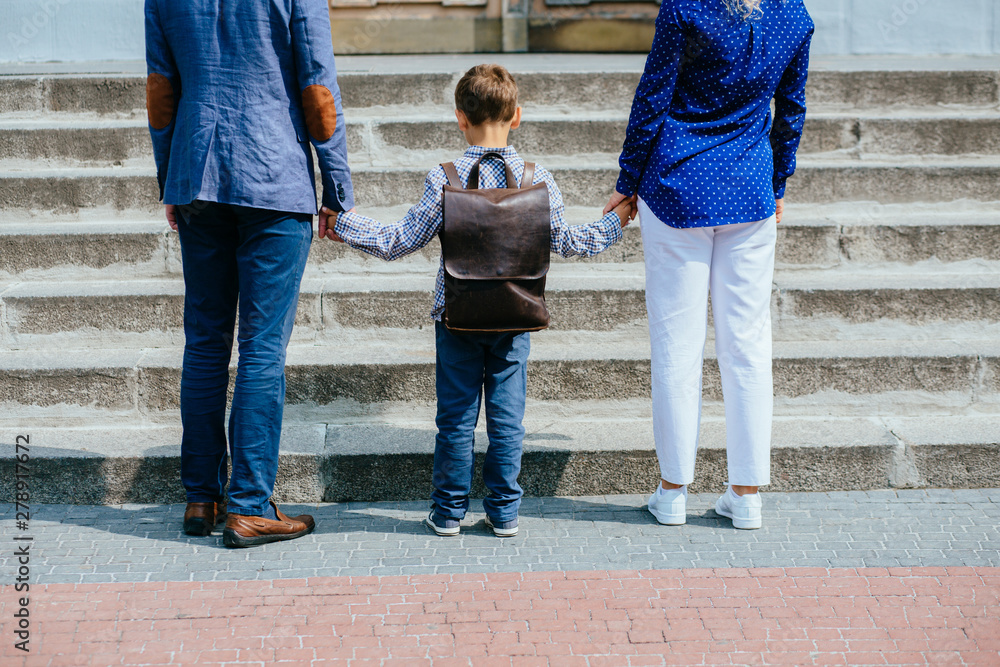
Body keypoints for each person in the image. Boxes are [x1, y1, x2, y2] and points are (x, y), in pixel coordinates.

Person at [323, 64, 634, 537]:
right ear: (517, 116)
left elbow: (398, 241)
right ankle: (504, 512)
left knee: (455, 420)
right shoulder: (539, 178)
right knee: (507, 423)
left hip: (457, 317)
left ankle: (448, 513)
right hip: (515, 314)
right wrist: (617, 219)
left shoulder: (443, 179)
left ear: (460, 118)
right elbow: (572, 242)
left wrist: (341, 223)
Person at [144, 0, 354, 547]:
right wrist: (337, 186)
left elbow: (161, 89)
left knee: (206, 343)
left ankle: (201, 497)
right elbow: (317, 87)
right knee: (262, 348)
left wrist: (171, 172)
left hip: (198, 168)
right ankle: (250, 506)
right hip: (273, 171)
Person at [605, 0, 814, 529]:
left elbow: (653, 94)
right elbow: (791, 108)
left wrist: (627, 181)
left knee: (677, 343)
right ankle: (745, 495)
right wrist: (779, 181)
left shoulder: (686, 6)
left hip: (677, 186)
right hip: (749, 188)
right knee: (747, 343)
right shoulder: (794, 15)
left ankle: (672, 490)